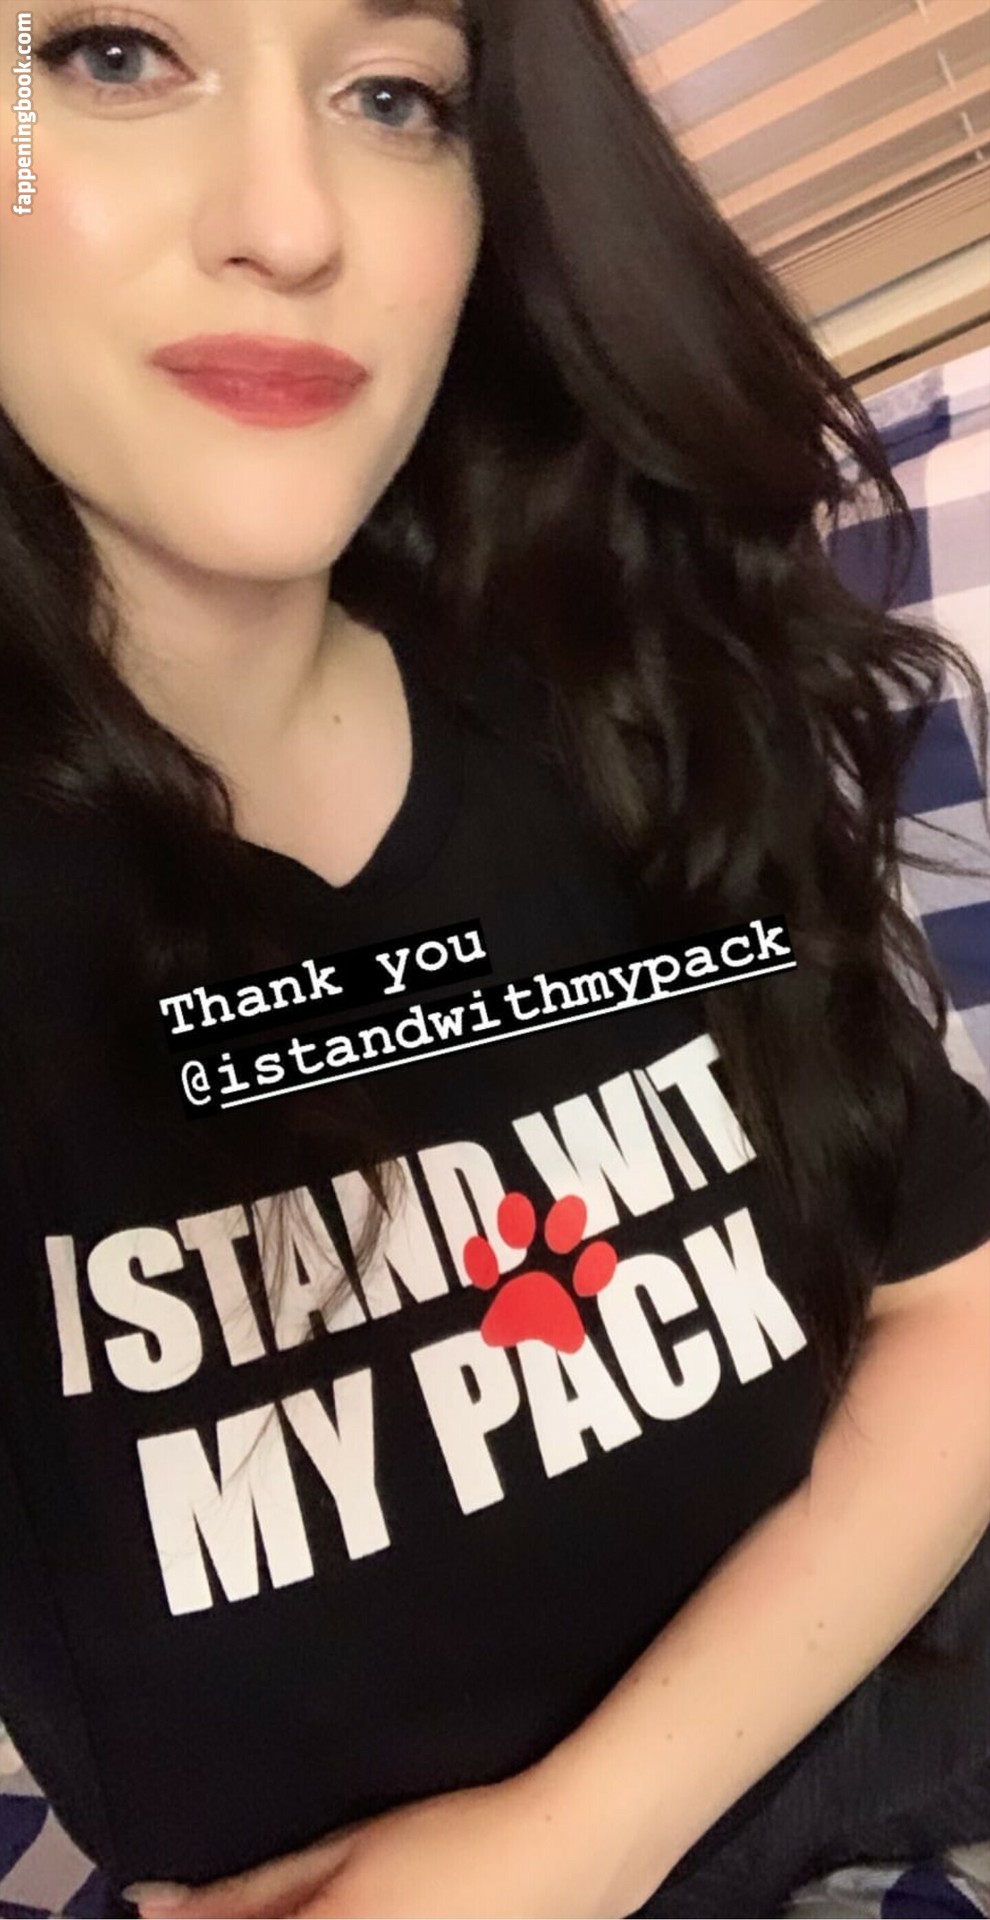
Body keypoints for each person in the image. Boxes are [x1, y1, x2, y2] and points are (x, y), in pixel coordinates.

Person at [0, 1, 988, 1915]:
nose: (291, 222)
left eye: (393, 94)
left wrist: (575, 1840)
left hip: (897, 1680)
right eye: (113, 55)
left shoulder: (613, 691)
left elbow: (952, 1300)